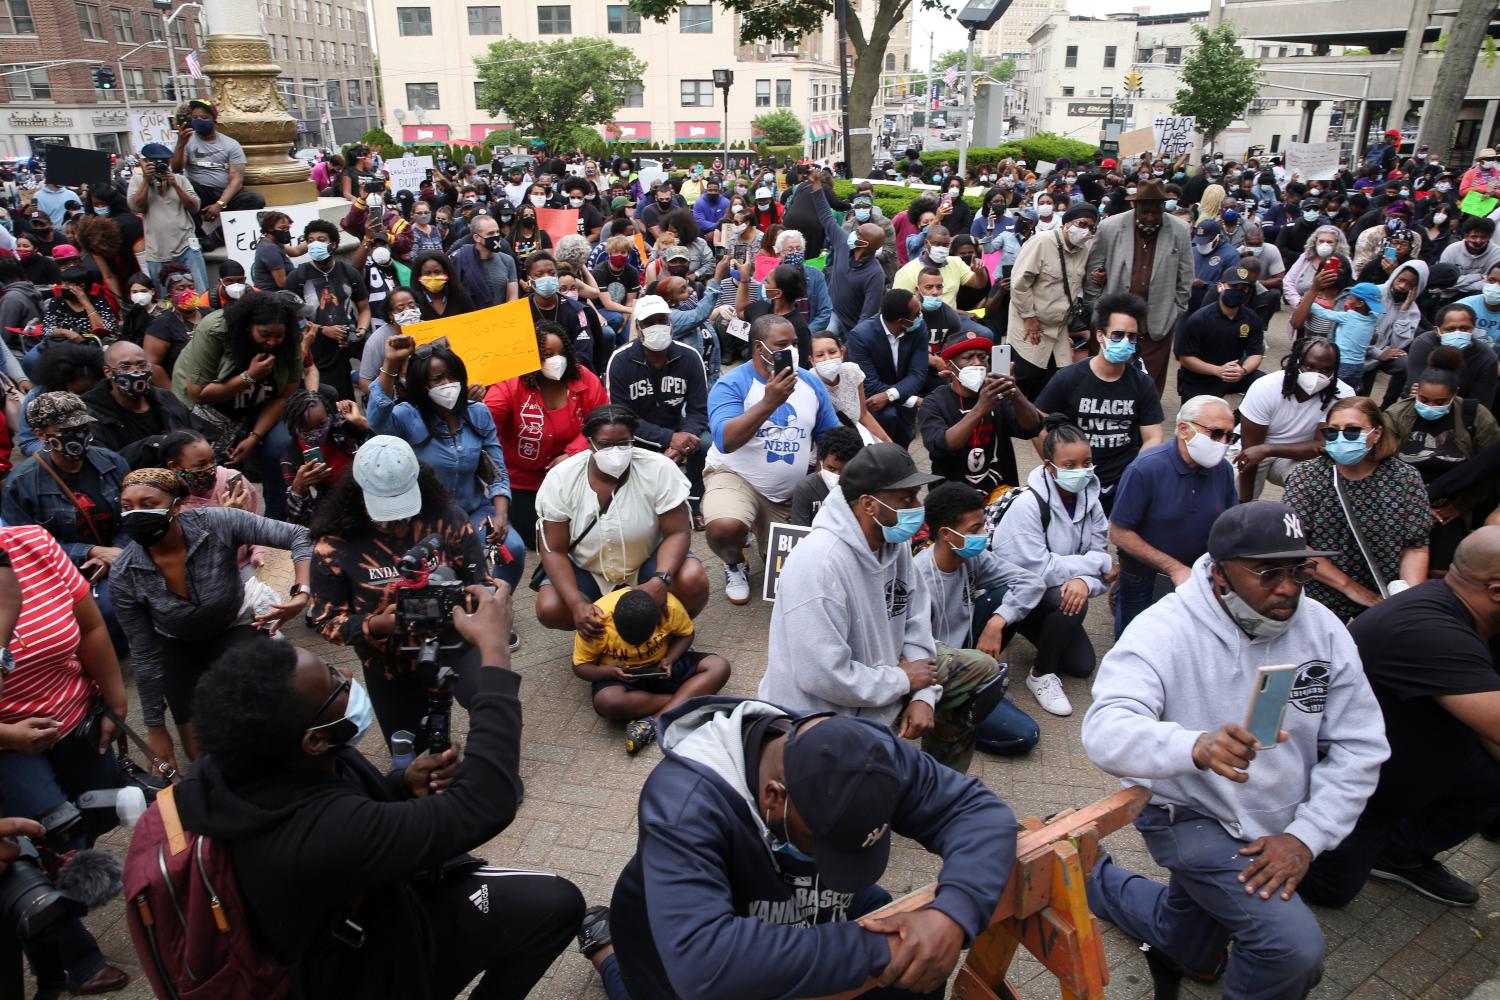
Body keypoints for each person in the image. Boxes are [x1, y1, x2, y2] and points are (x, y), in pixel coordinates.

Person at [178, 589, 586, 999]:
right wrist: (494, 653)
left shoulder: (256, 760)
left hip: (373, 909)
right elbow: (484, 803)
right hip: (364, 968)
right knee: (556, 903)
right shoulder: (316, 835)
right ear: (312, 741)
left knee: (552, 904)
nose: (349, 678)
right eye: (333, 684)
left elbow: (346, 805)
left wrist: (400, 786)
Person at [1082, 500, 1389, 1000]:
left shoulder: (1323, 627)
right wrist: (1195, 747)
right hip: (1190, 814)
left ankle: (1090, 874)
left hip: (1281, 819)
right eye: (1268, 573)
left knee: (1191, 946)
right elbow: (1104, 730)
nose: (1288, 587)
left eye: (1298, 570)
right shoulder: (1164, 629)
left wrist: (1306, 837)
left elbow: (1361, 745)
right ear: (1221, 573)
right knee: (1290, 950)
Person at [589, 706, 1015, 1000]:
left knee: (886, 919)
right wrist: (883, 951)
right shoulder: (683, 804)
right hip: (670, 944)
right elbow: (704, 965)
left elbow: (979, 812)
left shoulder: (863, 754)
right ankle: (607, 952)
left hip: (787, 900)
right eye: (826, 843)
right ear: (776, 798)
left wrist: (954, 912)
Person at [762, 443, 996, 772]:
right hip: (823, 716)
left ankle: (936, 783)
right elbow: (821, 676)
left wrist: (923, 696)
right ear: (870, 504)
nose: (918, 507)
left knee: (983, 672)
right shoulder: (819, 563)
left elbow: (916, 624)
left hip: (887, 682)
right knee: (866, 811)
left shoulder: (895, 544)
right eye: (907, 499)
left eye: (917, 495)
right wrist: (902, 681)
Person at [1301, 528, 1500, 909]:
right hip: (1360, 787)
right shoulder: (1431, 632)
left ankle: (1401, 853)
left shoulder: (1475, 615)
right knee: (1331, 891)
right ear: (1495, 591)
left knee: (1491, 780)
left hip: (1420, 759)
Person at [0, 525, 131, 998]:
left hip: (77, 719)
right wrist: (7, 733)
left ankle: (45, 930)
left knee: (88, 822)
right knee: (47, 845)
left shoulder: (31, 541)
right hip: (7, 747)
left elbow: (92, 626)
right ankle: (78, 960)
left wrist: (115, 703)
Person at [111, 467, 310, 767]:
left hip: (233, 625)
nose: (136, 514)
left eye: (149, 504)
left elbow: (299, 535)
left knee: (263, 716)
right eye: (127, 507)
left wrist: (301, 593)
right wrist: (155, 727)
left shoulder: (218, 522)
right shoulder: (124, 574)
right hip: (177, 643)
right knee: (201, 754)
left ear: (176, 506)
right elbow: (144, 654)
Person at [701, 315, 841, 604]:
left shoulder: (810, 384)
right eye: (781, 345)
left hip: (789, 493)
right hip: (736, 476)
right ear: (759, 347)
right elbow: (725, 441)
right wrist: (769, 402)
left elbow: (832, 440)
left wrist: (814, 487)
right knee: (725, 527)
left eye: (793, 344)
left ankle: (762, 535)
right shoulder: (732, 385)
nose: (790, 351)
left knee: (795, 581)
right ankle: (734, 563)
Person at [534, 403, 708, 628]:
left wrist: (660, 581)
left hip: (647, 562)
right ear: (590, 443)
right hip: (587, 569)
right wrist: (576, 604)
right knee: (550, 607)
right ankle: (601, 635)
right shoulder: (561, 478)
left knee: (692, 578)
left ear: (633, 439)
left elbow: (677, 532)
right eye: (605, 445)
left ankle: (667, 633)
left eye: (624, 443)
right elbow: (553, 549)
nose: (615, 452)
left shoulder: (659, 468)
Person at [370, 340, 525, 590]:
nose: (447, 385)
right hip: (424, 518)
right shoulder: (407, 415)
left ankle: (497, 606)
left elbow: (498, 473)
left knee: (514, 548)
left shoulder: (478, 413)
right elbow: (377, 421)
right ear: (422, 384)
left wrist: (501, 516)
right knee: (442, 573)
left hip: (474, 510)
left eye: (452, 377)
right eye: (438, 379)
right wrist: (390, 363)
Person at [989, 416, 1113, 717]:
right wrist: (1092, 567)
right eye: (1069, 465)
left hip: (1049, 596)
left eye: (1087, 463)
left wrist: (1086, 580)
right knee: (1070, 602)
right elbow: (1038, 570)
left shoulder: (1092, 502)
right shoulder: (1029, 505)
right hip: (1014, 593)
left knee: (1081, 666)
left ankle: (1039, 634)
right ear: (1049, 466)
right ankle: (1041, 675)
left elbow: (1103, 571)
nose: (1080, 471)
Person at [914, 482, 1043, 757]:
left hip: (970, 658)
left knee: (1003, 598)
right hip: (941, 672)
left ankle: (979, 696)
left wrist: (998, 621)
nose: (983, 535)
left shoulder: (973, 559)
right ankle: (949, 719)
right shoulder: (919, 578)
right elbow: (920, 652)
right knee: (1025, 736)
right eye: (975, 530)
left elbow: (1031, 582)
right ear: (946, 534)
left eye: (983, 526)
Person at [1283, 396, 1430, 621]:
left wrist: (1406, 600)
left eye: (1352, 431)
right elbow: (1296, 544)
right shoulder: (1307, 475)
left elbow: (1415, 546)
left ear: (1377, 433)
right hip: (1319, 596)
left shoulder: (1404, 478)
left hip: (1383, 596)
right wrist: (1349, 587)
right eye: (1332, 431)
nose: (1341, 437)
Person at [1110, 395, 1239, 637]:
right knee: (1135, 639)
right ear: (1184, 429)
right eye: (1215, 433)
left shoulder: (1223, 471)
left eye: (1229, 437)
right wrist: (1174, 569)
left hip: (1197, 579)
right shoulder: (1145, 469)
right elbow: (1119, 533)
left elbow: (1229, 524)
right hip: (1143, 578)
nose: (1223, 443)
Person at [171, 293, 306, 520]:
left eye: (278, 336)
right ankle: (212, 520)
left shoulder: (290, 340)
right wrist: (249, 377)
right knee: (209, 465)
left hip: (260, 407)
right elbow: (199, 393)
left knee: (280, 445)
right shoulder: (215, 330)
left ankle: (277, 516)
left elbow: (284, 396)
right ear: (248, 327)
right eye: (265, 335)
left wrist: (254, 436)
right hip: (207, 408)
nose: (273, 342)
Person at [1034, 293, 1164, 513]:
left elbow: (1154, 437)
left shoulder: (1142, 383)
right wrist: (1058, 466)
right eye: (1118, 335)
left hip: (1121, 480)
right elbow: (1036, 424)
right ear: (1100, 336)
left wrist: (1135, 473)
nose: (1125, 342)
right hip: (1075, 480)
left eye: (1132, 337)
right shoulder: (1069, 378)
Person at [484, 321, 609, 550]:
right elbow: (486, 426)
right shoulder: (510, 385)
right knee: (538, 540)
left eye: (562, 353)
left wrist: (573, 453)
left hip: (574, 478)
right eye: (547, 354)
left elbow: (602, 422)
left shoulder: (584, 379)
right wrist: (473, 403)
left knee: (581, 533)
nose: (556, 360)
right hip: (524, 483)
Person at [571, 583, 730, 755]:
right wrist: (608, 671)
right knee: (608, 702)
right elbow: (580, 666)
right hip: (620, 677)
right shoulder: (596, 621)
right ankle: (691, 700)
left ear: (657, 619)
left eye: (643, 639)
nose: (638, 646)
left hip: (662, 667)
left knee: (719, 666)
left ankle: (655, 721)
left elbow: (686, 634)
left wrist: (670, 658)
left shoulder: (668, 607)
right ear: (613, 620)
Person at [1387, 346, 1500, 568]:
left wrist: (1458, 507)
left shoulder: (1475, 417)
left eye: (1440, 402)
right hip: (1400, 503)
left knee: (1446, 564)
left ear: (1455, 394)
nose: (1431, 407)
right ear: (1416, 391)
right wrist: (1415, 505)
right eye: (1425, 400)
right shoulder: (1397, 414)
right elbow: (1382, 466)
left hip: (1452, 508)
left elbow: (1487, 470)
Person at [1082, 180, 1195, 394]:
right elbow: (1092, 271)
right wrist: (1096, 307)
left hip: (1157, 322)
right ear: (1136, 206)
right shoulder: (1111, 226)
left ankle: (1142, 424)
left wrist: (1175, 312)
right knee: (1106, 378)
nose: (1151, 217)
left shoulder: (1179, 230)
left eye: (1156, 211)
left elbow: (1186, 278)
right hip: (1113, 320)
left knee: (1147, 385)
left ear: (1163, 207)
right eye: (1146, 211)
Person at [604, 296, 709, 522]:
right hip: (636, 437)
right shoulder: (620, 361)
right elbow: (622, 417)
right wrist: (670, 438)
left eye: (662, 320)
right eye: (650, 322)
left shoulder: (690, 357)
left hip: (680, 431)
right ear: (638, 327)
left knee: (707, 442)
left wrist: (683, 442)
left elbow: (699, 410)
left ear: (671, 323)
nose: (657, 327)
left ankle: (695, 502)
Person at [919, 330, 1041, 495]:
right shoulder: (934, 402)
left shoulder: (997, 395)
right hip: (952, 500)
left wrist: (1014, 392)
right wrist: (981, 407)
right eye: (968, 357)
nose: (977, 363)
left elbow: (1032, 427)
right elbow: (943, 446)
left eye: (982, 357)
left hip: (999, 495)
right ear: (950, 365)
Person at [1007, 205, 1096, 399]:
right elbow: (1019, 284)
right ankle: (1017, 423)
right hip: (1030, 324)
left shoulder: (1082, 251)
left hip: (1059, 328)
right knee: (1026, 376)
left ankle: (1043, 423)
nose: (1086, 231)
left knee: (1058, 377)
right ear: (1066, 224)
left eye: (1091, 228)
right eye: (1082, 224)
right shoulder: (1041, 242)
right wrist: (1029, 317)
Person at [285, 219, 371, 401]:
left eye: (321, 239)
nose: (315, 243)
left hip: (348, 345)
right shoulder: (297, 277)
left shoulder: (348, 272)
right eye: (310, 240)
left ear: (333, 244)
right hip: (318, 351)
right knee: (330, 398)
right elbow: (292, 317)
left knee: (350, 398)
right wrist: (324, 330)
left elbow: (364, 308)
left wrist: (359, 332)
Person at [169, 100, 265, 249]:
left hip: (224, 193)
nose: (199, 121)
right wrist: (180, 143)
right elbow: (175, 168)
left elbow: (237, 180)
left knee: (255, 200)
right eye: (195, 118)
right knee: (183, 186)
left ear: (214, 119)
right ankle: (199, 235)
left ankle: (218, 236)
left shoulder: (230, 144)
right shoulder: (187, 141)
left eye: (204, 117)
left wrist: (220, 204)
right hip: (200, 192)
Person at [80, 340, 194, 466]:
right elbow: (103, 463)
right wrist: (152, 444)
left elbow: (194, 437)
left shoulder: (167, 399)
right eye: (125, 366)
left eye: (141, 365)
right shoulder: (91, 414)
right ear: (108, 372)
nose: (136, 372)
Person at [845, 290, 930, 448]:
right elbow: (870, 384)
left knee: (903, 446)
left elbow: (918, 373)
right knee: (888, 424)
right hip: (877, 406)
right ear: (902, 321)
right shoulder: (860, 337)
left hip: (901, 399)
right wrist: (913, 400)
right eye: (916, 314)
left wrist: (890, 395)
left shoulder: (918, 329)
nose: (921, 316)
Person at [1174, 264, 1266, 400]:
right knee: (1196, 417)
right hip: (1200, 379)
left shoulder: (1252, 319)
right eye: (1234, 287)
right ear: (1220, 287)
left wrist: (1243, 370)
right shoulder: (1200, 319)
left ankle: (1242, 417)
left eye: (1244, 289)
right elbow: (1186, 358)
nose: (1238, 292)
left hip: (1232, 375)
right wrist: (1218, 370)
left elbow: (1256, 353)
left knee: (1263, 383)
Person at [809, 171, 886, 333]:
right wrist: (816, 185)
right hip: (832, 314)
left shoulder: (875, 274)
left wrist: (853, 342)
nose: (853, 232)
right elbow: (826, 217)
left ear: (864, 244)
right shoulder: (844, 243)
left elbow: (868, 315)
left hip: (854, 327)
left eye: (859, 233)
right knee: (824, 337)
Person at [128, 142, 208, 294]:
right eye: (156, 162)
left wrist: (175, 185)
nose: (161, 165)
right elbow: (136, 206)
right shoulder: (137, 181)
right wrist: (146, 180)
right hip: (157, 252)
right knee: (166, 299)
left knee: (199, 292)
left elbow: (195, 207)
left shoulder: (180, 180)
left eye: (165, 162)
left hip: (187, 246)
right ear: (146, 162)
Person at [1405, 303, 1499, 408]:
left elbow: (1480, 404)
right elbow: (1413, 389)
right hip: (1419, 405)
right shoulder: (1423, 344)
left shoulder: (1487, 358)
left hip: (1462, 413)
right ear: (1437, 330)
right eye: (1450, 329)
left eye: (1464, 328)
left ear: (1473, 329)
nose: (1458, 333)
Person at [808, 330, 889, 443]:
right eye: (820, 355)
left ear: (841, 353)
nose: (828, 359)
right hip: (827, 444)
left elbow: (863, 414)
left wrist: (888, 441)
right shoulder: (809, 385)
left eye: (832, 352)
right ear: (812, 360)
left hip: (855, 434)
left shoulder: (852, 372)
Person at [790, 425, 863, 526]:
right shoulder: (805, 488)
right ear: (821, 461)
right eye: (831, 468)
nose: (837, 476)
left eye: (844, 471)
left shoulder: (861, 488)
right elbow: (799, 532)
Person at [449, 212, 518, 309]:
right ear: (477, 237)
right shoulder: (461, 259)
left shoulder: (507, 260)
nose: (496, 236)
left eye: (497, 232)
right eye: (490, 233)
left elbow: (513, 297)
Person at [1439, 216, 1500, 294]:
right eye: (1474, 237)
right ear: (1466, 236)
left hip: (1480, 294)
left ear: (1490, 237)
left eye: (1483, 237)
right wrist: (1477, 277)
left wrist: (1457, 287)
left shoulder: (1496, 253)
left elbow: (1490, 282)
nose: (1478, 241)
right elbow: (1443, 280)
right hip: (1448, 296)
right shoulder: (1451, 250)